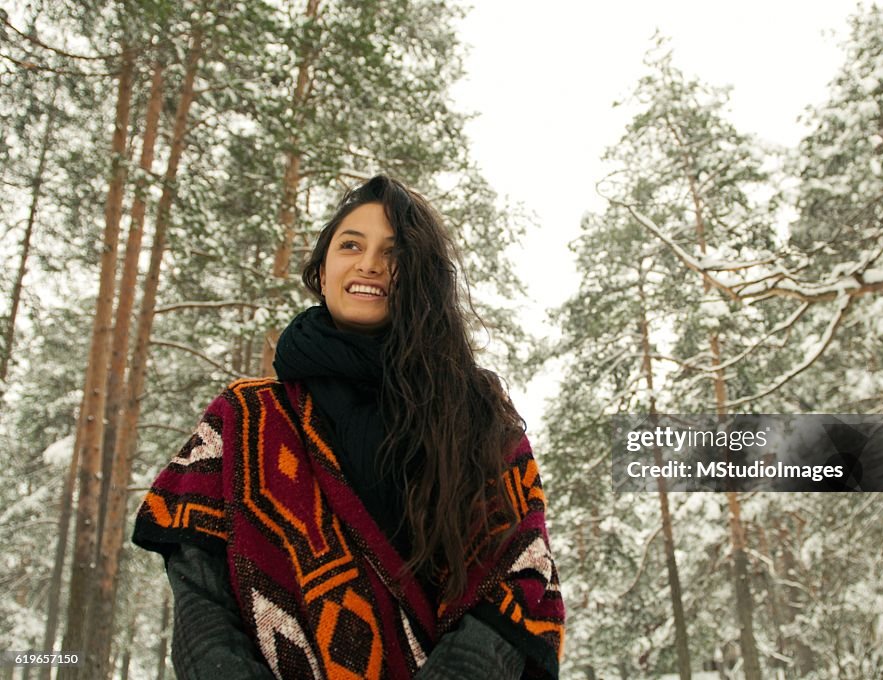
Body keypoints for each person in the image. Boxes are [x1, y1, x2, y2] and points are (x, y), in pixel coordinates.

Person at [132, 175, 564, 679]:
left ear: (423, 276)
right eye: (351, 245)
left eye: (395, 252)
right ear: (320, 269)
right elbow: (202, 601)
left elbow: (514, 581)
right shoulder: (244, 418)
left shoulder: (478, 417)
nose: (370, 264)